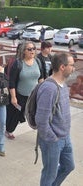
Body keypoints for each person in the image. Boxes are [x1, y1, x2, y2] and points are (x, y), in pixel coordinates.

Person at [35, 52, 75, 185]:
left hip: (65, 137)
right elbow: (41, 120)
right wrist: (53, 138)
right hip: (52, 140)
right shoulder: (49, 88)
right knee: (49, 174)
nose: (73, 68)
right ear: (62, 67)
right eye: (71, 65)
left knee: (68, 166)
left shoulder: (64, 85)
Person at [6, 41, 43, 139]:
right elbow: (12, 82)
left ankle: (41, 131)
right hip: (20, 95)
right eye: (29, 49)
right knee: (15, 114)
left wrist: (43, 92)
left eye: (34, 49)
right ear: (24, 51)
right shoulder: (18, 64)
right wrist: (13, 97)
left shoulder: (38, 62)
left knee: (37, 113)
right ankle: (9, 130)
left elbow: (41, 78)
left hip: (34, 96)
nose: (32, 51)